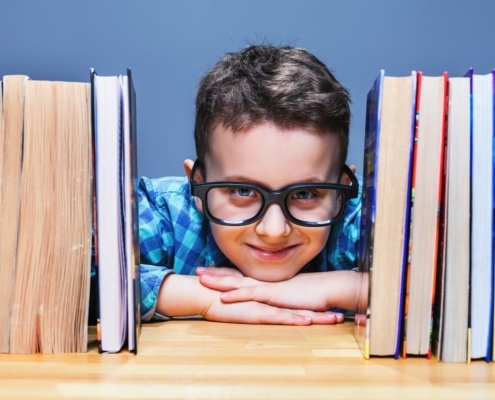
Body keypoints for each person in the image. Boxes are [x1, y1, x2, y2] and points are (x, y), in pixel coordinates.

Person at [139, 44, 361, 325]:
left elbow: (430, 278)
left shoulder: (362, 217)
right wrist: (205, 298)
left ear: (340, 196)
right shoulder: (165, 213)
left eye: (304, 194)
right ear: (197, 184)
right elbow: (78, 273)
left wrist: (348, 287)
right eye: (243, 191)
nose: (274, 231)